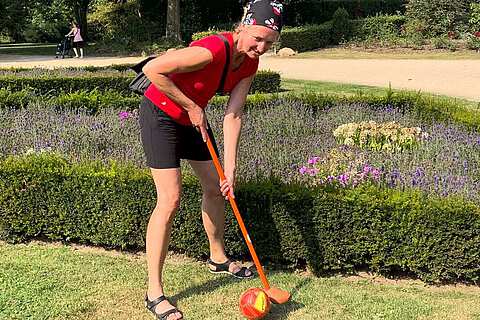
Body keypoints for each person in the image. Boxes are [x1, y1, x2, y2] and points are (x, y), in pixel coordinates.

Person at [139, 0, 283, 319]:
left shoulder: (249, 63)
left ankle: (217, 257)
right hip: (161, 115)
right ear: (242, 27)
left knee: (217, 188)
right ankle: (154, 292)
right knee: (170, 199)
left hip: (193, 118)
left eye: (269, 43)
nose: (261, 47)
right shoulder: (211, 50)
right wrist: (191, 106)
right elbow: (153, 70)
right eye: (257, 38)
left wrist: (229, 168)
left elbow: (233, 114)